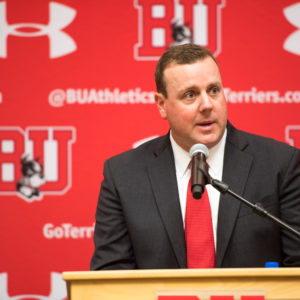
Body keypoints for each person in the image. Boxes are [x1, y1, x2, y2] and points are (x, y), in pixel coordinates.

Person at [90, 44, 300, 270]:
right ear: (162, 105)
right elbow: (110, 277)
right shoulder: (123, 176)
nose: (207, 105)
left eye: (213, 90)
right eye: (190, 95)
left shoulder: (280, 165)